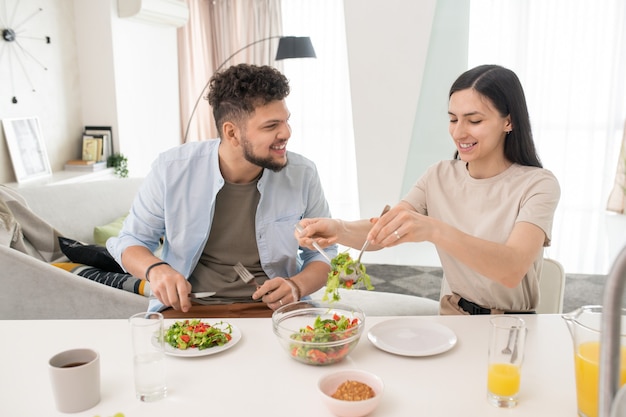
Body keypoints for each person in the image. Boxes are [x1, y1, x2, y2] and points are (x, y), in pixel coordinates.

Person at [296, 64, 560, 315]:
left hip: (514, 326)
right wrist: (338, 229)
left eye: (474, 120)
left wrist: (434, 229)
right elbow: (388, 228)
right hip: (454, 317)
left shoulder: (538, 184)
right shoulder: (439, 175)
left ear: (508, 122)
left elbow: (511, 269)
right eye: (453, 119)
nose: (459, 132)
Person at [107, 64, 336, 317]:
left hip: (277, 309)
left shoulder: (303, 173)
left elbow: (325, 254)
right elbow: (130, 241)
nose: (286, 133)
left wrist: (296, 285)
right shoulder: (170, 170)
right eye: (271, 126)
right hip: (189, 307)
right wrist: (156, 269)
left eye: (286, 121)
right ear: (232, 132)